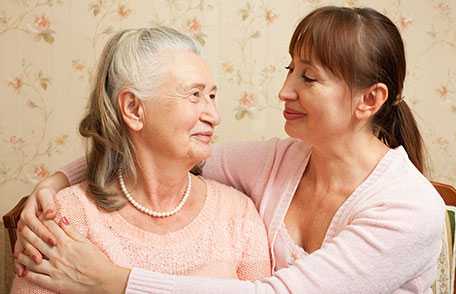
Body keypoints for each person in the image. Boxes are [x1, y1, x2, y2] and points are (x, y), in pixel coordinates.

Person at [13, 6, 445, 294]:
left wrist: (117, 281)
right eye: (288, 69)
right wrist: (55, 182)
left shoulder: (409, 209)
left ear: (369, 101)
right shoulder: (280, 162)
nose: (284, 91)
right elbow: (155, 149)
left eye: (308, 78)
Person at [10, 26, 271, 293]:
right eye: (195, 95)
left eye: (212, 96)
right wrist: (51, 184)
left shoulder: (238, 215)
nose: (214, 115)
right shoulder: (68, 218)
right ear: (134, 109)